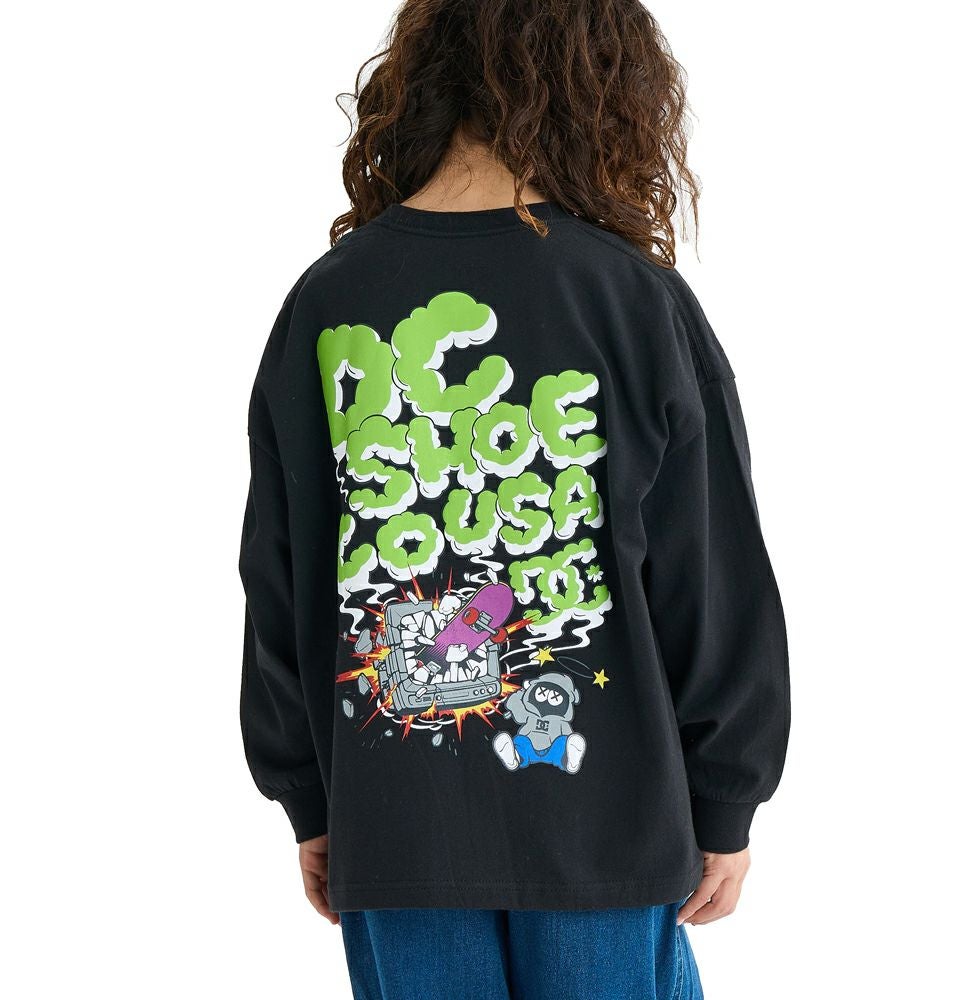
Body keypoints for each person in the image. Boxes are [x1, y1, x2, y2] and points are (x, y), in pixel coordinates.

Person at [238, 2, 790, 997]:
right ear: (602, 84)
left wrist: (308, 795)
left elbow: (280, 576)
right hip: (606, 824)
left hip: (395, 823)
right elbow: (712, 577)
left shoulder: (327, 300)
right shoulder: (632, 298)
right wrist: (726, 796)